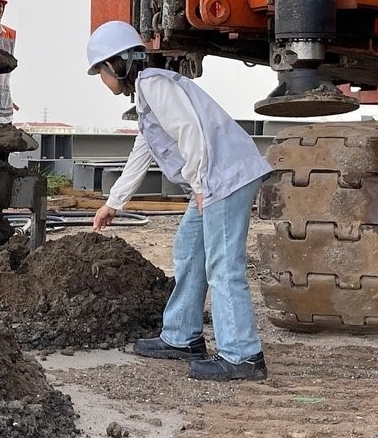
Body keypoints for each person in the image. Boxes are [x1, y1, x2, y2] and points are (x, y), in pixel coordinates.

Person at [85, 21, 272, 381]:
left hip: (223, 177)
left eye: (99, 72)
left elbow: (190, 129)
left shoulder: (154, 84)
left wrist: (201, 184)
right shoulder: (147, 91)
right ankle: (182, 337)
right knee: (189, 249)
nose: (102, 79)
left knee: (223, 265)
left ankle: (242, 355)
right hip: (216, 176)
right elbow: (145, 149)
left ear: (116, 65)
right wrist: (115, 202)